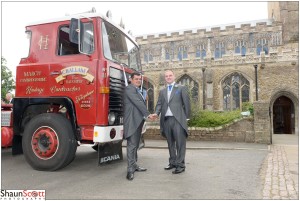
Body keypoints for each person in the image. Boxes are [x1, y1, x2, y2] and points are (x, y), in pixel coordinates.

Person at [153, 69, 191, 174]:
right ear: (165, 78)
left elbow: (187, 103)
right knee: (170, 144)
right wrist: (156, 113)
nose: (168, 77)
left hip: (178, 120)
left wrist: (187, 118)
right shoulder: (162, 91)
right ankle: (173, 162)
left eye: (170, 75)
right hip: (166, 120)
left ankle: (180, 165)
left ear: (174, 76)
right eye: (166, 76)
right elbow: (159, 104)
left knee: (180, 143)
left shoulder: (181, 88)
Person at [123, 72, 155, 181]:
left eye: (139, 79)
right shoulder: (129, 89)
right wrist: (147, 114)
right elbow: (137, 102)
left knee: (135, 145)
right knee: (131, 146)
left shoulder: (138, 90)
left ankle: (134, 165)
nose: (138, 81)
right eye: (136, 79)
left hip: (137, 121)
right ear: (131, 80)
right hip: (132, 121)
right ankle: (130, 170)